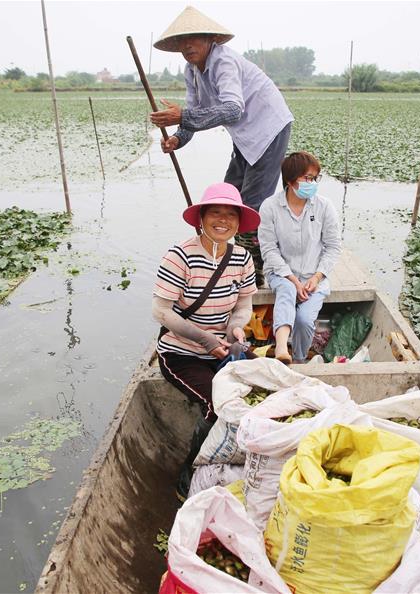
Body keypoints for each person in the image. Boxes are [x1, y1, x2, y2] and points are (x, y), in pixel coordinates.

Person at [149, 5, 293, 288]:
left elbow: (231, 110)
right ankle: (230, 260)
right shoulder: (191, 70)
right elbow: (194, 112)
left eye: (194, 39)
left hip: (269, 128)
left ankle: (255, 273)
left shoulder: (223, 61)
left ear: (210, 40)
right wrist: (178, 138)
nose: (187, 46)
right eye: (182, 41)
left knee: (252, 203)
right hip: (244, 136)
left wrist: (183, 116)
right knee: (228, 196)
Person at [153, 182, 259, 499]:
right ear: (201, 217)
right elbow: (161, 312)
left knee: (264, 391)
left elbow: (243, 306)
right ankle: (189, 473)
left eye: (231, 214)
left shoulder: (242, 258)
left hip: (222, 350)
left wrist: (235, 330)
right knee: (216, 405)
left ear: (239, 221)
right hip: (181, 354)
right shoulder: (179, 257)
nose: (223, 220)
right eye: (216, 212)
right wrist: (205, 340)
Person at [258, 151, 342, 364]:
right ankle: (281, 348)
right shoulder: (270, 207)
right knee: (286, 289)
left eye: (315, 178)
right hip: (281, 274)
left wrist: (316, 277)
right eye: (307, 178)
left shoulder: (324, 206)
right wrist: (293, 280)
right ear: (289, 179)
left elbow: (332, 247)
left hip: (314, 276)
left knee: (305, 319)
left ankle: (299, 359)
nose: (312, 183)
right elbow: (269, 250)